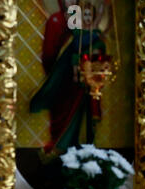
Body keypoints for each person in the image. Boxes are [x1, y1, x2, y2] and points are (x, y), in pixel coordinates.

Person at [30, 1, 108, 155]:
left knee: (86, 112)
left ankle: (86, 147)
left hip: (87, 78)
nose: (86, 17)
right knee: (67, 110)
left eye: (89, 15)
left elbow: (99, 20)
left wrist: (105, 6)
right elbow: (55, 55)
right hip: (70, 77)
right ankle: (63, 146)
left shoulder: (94, 30)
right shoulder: (71, 25)